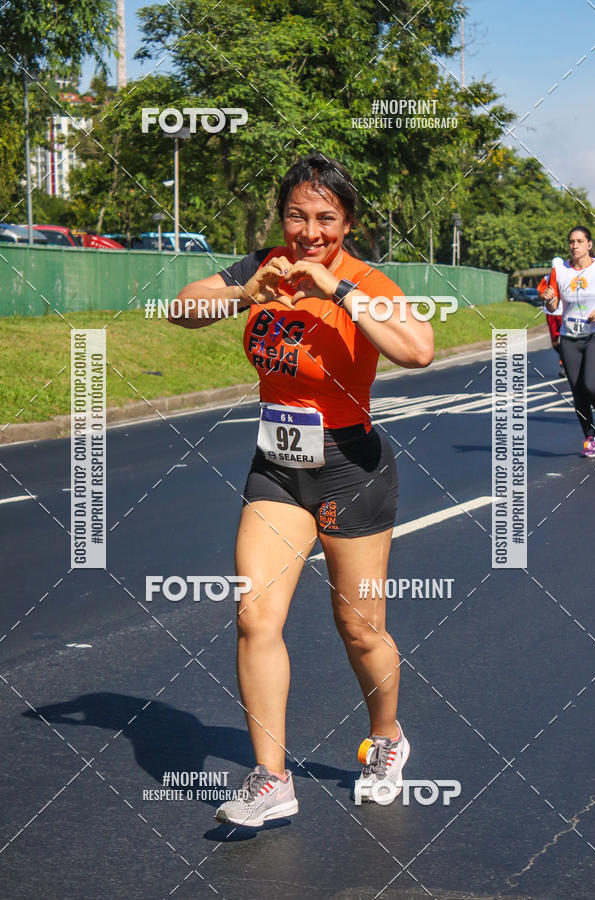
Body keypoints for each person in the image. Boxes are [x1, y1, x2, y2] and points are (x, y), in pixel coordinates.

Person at [169, 153, 434, 825]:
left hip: (351, 467)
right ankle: (272, 777)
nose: (309, 232)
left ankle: (387, 738)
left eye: (325, 218)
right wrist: (246, 293)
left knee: (360, 629)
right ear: (281, 218)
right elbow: (180, 309)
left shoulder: (365, 281)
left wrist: (335, 290)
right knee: (255, 614)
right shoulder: (264, 266)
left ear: (347, 224)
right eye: (296, 216)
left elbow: (418, 350)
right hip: (278, 466)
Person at [540, 226, 595, 457]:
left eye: (579, 241)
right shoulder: (560, 270)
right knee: (577, 391)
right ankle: (589, 437)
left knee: (592, 384)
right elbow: (554, 305)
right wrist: (549, 299)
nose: (574, 246)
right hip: (570, 337)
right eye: (571, 242)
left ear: (589, 245)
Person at [537, 260, 565, 378]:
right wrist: (546, 296)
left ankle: (564, 363)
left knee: (566, 340)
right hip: (551, 313)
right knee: (555, 342)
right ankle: (566, 358)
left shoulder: (567, 277)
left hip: (564, 313)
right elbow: (540, 292)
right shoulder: (547, 278)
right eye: (554, 269)